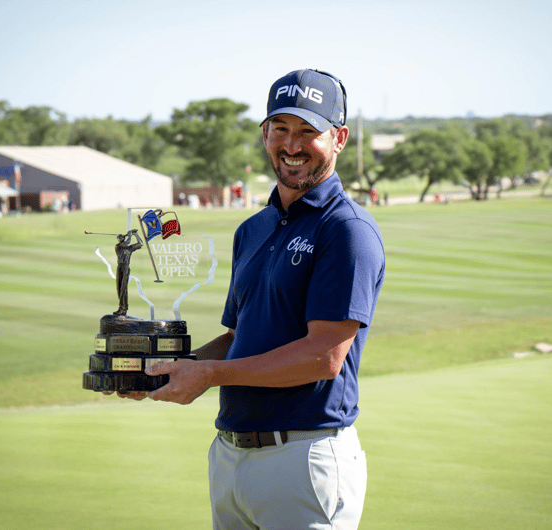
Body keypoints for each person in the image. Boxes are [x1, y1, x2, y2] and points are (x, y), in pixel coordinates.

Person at [126, 69, 386, 529]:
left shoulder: (346, 230)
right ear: (264, 133)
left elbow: (323, 357)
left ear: (339, 138)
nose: (292, 145)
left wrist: (208, 375)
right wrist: (159, 373)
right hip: (230, 458)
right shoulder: (254, 228)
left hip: (304, 458)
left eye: (309, 131)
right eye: (280, 129)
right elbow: (239, 337)